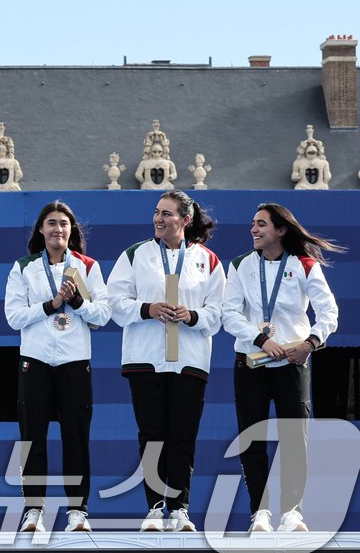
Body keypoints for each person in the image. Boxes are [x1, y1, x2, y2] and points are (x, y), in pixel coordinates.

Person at [107, 189, 224, 533]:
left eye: (167, 214)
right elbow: (114, 302)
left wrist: (192, 316)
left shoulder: (207, 260)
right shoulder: (136, 254)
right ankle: (156, 507)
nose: (158, 219)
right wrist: (148, 309)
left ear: (185, 220)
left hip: (189, 359)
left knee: (184, 434)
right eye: (157, 212)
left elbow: (219, 313)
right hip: (146, 357)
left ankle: (181, 509)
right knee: (153, 433)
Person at [223, 204, 341, 533]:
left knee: (294, 438)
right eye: (252, 224)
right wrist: (260, 339)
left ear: (281, 230)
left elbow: (328, 310)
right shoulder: (240, 265)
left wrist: (310, 343)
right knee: (253, 439)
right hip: (251, 363)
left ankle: (292, 512)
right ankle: (259, 513)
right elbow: (229, 314)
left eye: (262, 224)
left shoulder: (304, 265)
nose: (254, 230)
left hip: (292, 362)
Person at [3, 202, 109, 533]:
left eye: (64, 224)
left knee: (75, 438)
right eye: (51, 223)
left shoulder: (87, 267)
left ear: (71, 231)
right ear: (40, 230)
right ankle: (33, 509)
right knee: (32, 437)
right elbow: (13, 316)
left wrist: (77, 303)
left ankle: (78, 511)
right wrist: (50, 306)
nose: (57, 229)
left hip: (74, 362)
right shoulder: (24, 268)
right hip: (34, 361)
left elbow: (103, 314)